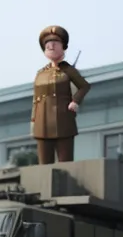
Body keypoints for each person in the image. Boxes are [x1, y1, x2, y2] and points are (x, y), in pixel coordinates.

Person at [31, 25, 91, 164]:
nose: (51, 45)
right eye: (47, 43)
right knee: (44, 166)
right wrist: (33, 121)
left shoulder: (68, 70)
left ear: (63, 46)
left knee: (65, 164)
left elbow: (84, 86)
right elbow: (36, 99)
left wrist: (75, 101)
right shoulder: (40, 73)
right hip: (42, 123)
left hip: (62, 120)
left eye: (55, 42)